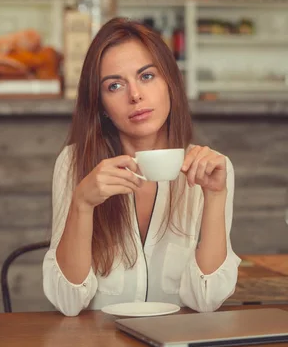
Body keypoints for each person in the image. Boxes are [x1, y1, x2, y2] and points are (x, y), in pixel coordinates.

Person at [43, 17, 240, 316]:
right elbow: (68, 303)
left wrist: (215, 197)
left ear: (170, 84)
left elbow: (207, 300)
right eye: (115, 85)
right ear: (101, 106)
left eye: (147, 76)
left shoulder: (211, 168)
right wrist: (82, 204)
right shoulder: (74, 163)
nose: (134, 95)